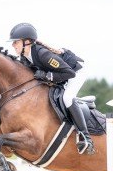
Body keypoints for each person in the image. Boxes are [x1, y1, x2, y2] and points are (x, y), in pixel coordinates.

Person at [8, 23, 95, 155]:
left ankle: (86, 137)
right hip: (63, 73)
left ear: (27, 42)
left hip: (76, 72)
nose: (13, 45)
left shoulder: (43, 54)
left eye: (16, 42)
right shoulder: (25, 56)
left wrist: (48, 76)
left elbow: (70, 73)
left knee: (67, 98)